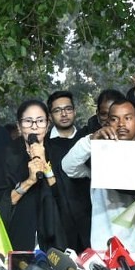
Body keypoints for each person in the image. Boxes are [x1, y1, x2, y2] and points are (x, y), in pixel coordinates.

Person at [62, 98, 135, 252]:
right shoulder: (98, 156)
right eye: (114, 119)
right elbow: (68, 166)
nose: (121, 124)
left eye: (128, 118)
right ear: (107, 124)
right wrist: (91, 140)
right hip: (103, 247)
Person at [0, 100, 66, 251]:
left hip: (56, 235)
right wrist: (28, 182)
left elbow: (65, 198)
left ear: (48, 125)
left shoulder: (59, 152)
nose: (35, 126)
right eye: (28, 121)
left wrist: (45, 166)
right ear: (19, 126)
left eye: (40, 121)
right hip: (18, 234)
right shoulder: (5, 155)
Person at [46, 91, 92, 252]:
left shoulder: (88, 140)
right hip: (58, 218)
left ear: (75, 111)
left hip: (89, 215)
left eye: (68, 109)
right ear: (50, 116)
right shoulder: (44, 145)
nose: (64, 114)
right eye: (57, 110)